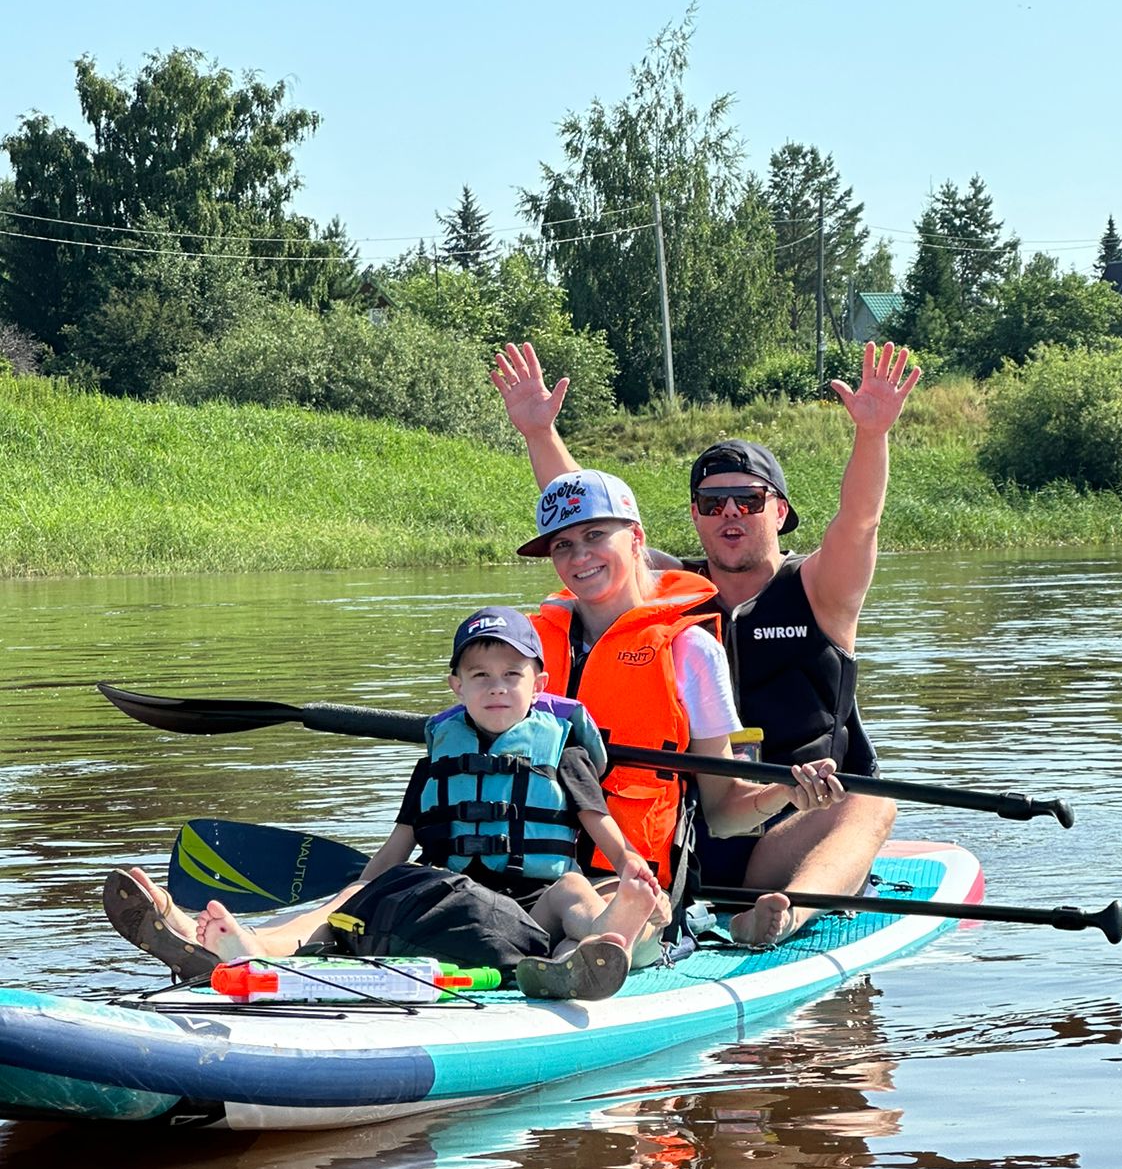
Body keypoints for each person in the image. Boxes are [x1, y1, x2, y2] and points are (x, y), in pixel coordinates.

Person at [490, 338, 920, 945]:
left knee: (871, 804)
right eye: (713, 502)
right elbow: (589, 532)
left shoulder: (821, 590)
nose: (730, 514)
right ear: (694, 515)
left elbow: (860, 521)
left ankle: (783, 915)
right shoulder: (666, 592)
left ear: (780, 512)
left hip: (788, 830)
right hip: (690, 833)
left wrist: (872, 435)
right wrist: (539, 432)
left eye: (748, 499)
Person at [103, 607, 675, 1002]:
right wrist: (361, 893)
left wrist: (629, 867)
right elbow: (398, 845)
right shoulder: (434, 763)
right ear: (456, 687)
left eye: (511, 675)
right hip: (449, 895)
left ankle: (601, 944)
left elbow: (599, 827)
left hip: (537, 899)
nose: (496, 687)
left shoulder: (562, 754)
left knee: (576, 892)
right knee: (351, 897)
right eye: (480, 676)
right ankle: (251, 948)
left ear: (538, 682)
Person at [516, 466, 845, 946]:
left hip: (630, 883)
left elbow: (723, 813)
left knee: (591, 936)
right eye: (562, 545)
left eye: (594, 535)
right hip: (522, 873)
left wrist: (785, 793)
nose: (579, 556)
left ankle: (579, 961)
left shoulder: (690, 650)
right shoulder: (526, 646)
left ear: (636, 540)